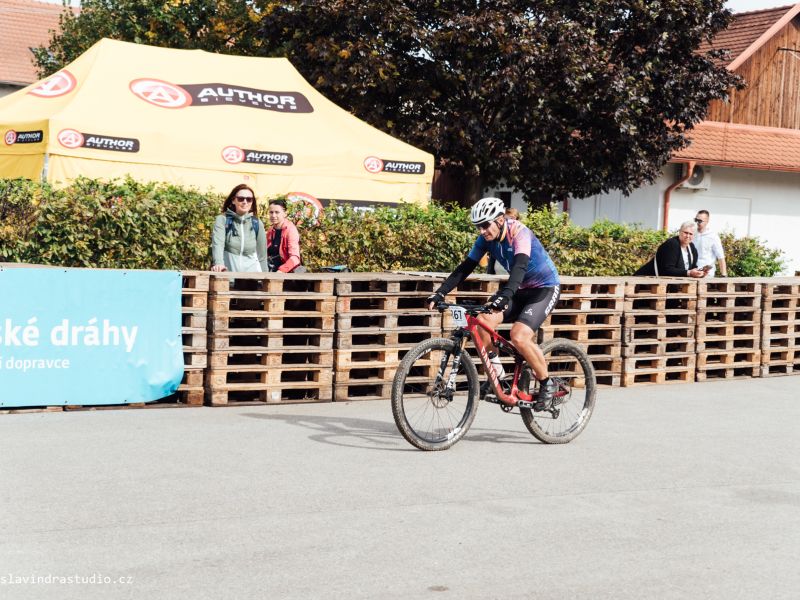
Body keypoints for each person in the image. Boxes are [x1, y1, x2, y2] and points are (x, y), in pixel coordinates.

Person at [427, 197, 561, 409]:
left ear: (499, 220)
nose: (481, 231)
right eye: (478, 227)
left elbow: (520, 267)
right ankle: (498, 376)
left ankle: (547, 383)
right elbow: (466, 267)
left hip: (544, 288)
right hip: (519, 289)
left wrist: (505, 294)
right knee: (482, 321)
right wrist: (440, 292)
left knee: (519, 335)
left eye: (485, 225)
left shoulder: (519, 232)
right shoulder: (486, 239)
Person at [210, 184, 268, 272]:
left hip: (252, 276)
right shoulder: (222, 220)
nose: (245, 202)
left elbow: (262, 256)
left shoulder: (257, 223)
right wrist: (218, 263)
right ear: (233, 200)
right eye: (241, 199)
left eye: (249, 199)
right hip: (228, 275)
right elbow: (218, 244)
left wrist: (265, 276)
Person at [634, 221, 707, 278]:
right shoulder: (672, 244)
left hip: (665, 285)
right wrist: (689, 273)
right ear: (679, 232)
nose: (688, 236)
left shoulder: (691, 247)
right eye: (685, 233)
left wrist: (700, 273)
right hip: (645, 282)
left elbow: (692, 268)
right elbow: (668, 269)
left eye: (690, 234)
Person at [265, 199, 303, 273]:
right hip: (271, 271)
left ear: (285, 213)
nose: (273, 215)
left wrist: (281, 271)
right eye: (271, 212)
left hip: (286, 273)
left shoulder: (291, 230)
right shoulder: (270, 231)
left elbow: (295, 258)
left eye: (277, 212)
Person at [693, 210, 727, 277]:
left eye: (700, 221)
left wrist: (724, 275)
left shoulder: (713, 236)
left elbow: (720, 256)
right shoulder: (691, 234)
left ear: (707, 221)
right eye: (696, 220)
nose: (697, 222)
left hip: (707, 274)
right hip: (692, 271)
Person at [486, 207, 519, 275]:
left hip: (514, 275)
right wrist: (489, 274)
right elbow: (492, 259)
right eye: (506, 219)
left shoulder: (520, 236)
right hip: (498, 275)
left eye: (512, 218)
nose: (509, 221)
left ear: (517, 220)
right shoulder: (497, 236)